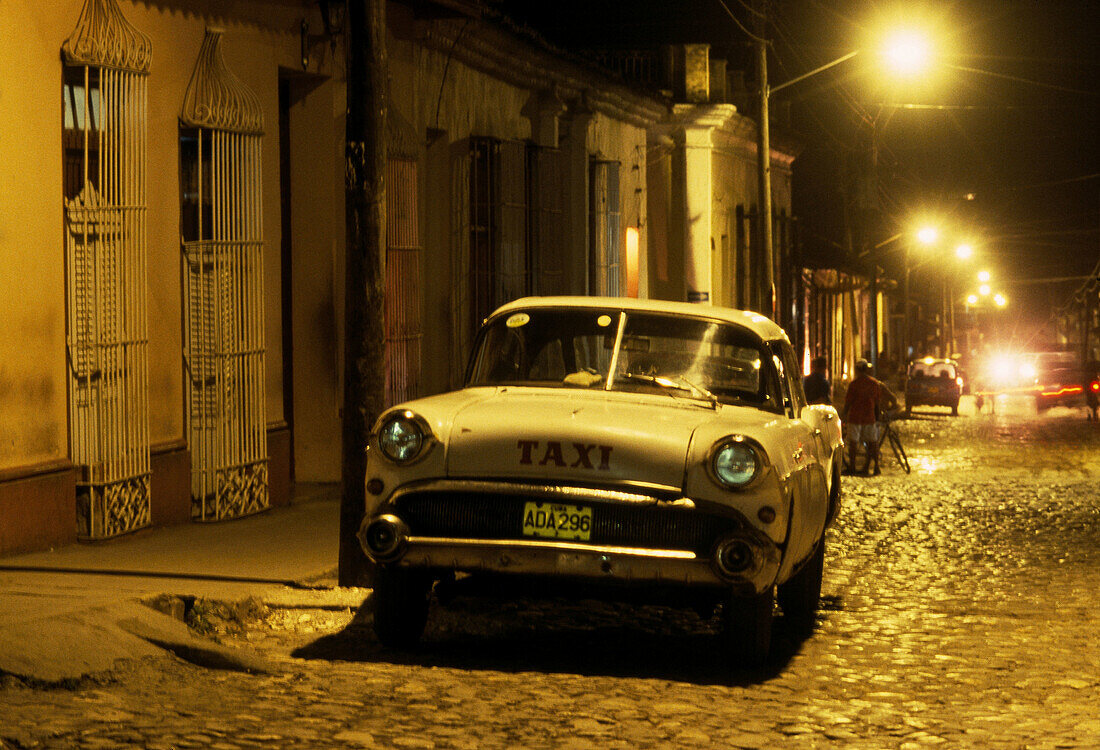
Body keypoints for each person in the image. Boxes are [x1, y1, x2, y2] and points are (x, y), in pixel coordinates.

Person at [840, 359, 898, 476]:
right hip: (869, 417)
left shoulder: (854, 385)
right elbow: (877, 402)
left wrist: (843, 417)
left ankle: (852, 467)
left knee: (853, 443)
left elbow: (848, 403)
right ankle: (876, 467)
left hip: (855, 417)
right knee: (873, 443)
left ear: (856, 370)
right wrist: (877, 417)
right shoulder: (874, 384)